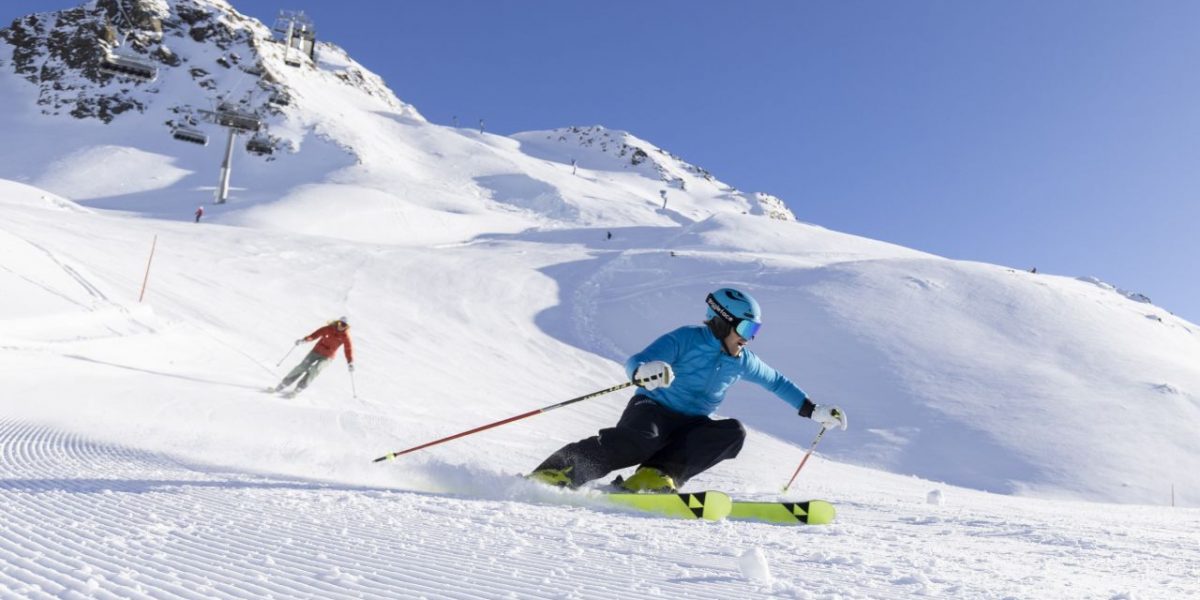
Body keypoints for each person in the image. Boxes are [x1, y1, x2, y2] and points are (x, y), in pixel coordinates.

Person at [528, 288, 847, 492]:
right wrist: (644, 372)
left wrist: (812, 409)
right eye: (747, 328)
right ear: (724, 321)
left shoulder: (743, 360)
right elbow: (637, 361)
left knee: (732, 432)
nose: (749, 338)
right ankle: (560, 471)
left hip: (692, 424)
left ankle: (654, 476)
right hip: (652, 410)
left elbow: (776, 382)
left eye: (755, 330)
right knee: (641, 440)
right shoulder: (687, 338)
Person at [273, 316, 355, 397]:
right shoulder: (327, 329)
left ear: (347, 327)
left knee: (315, 369)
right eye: (340, 323)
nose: (341, 326)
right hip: (316, 351)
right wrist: (304, 340)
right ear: (337, 322)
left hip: (328, 357)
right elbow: (314, 335)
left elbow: (348, 349)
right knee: (302, 366)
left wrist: (350, 362)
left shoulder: (345, 337)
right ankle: (283, 384)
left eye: (344, 325)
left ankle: (299, 388)